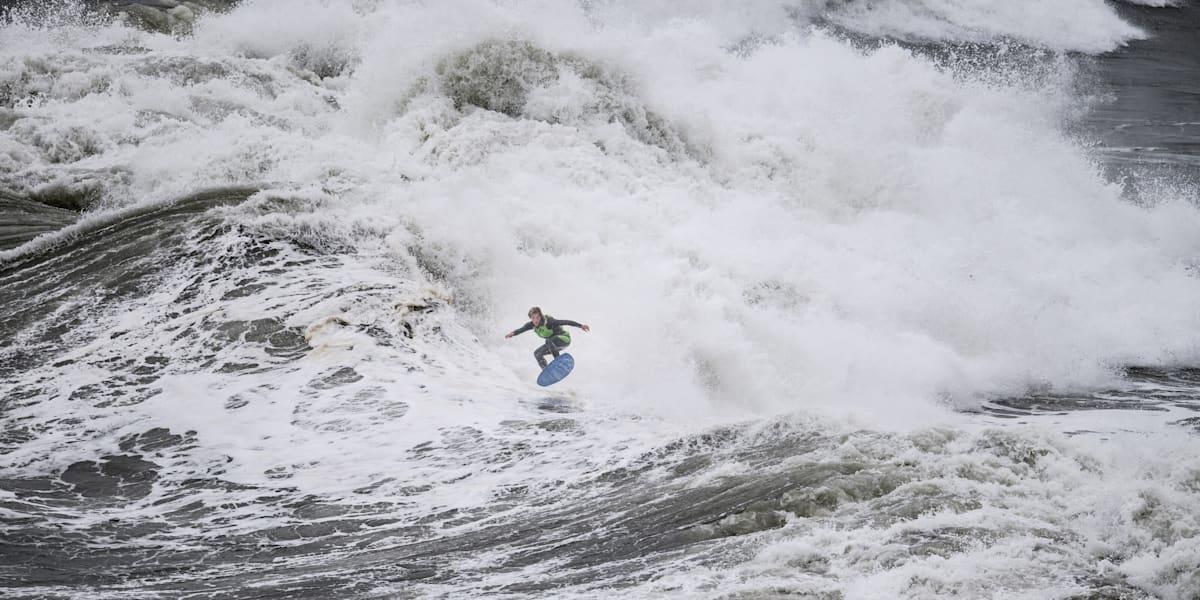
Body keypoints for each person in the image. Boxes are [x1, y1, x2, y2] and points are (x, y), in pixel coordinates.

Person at [505, 306, 590, 369]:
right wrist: (512, 333)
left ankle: (559, 362)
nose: (535, 320)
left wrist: (580, 326)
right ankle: (546, 371)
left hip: (564, 339)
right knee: (537, 353)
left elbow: (565, 322)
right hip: (553, 345)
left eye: (537, 317)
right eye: (533, 318)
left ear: (540, 316)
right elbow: (521, 329)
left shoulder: (548, 322)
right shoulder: (531, 325)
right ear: (530, 318)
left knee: (549, 340)